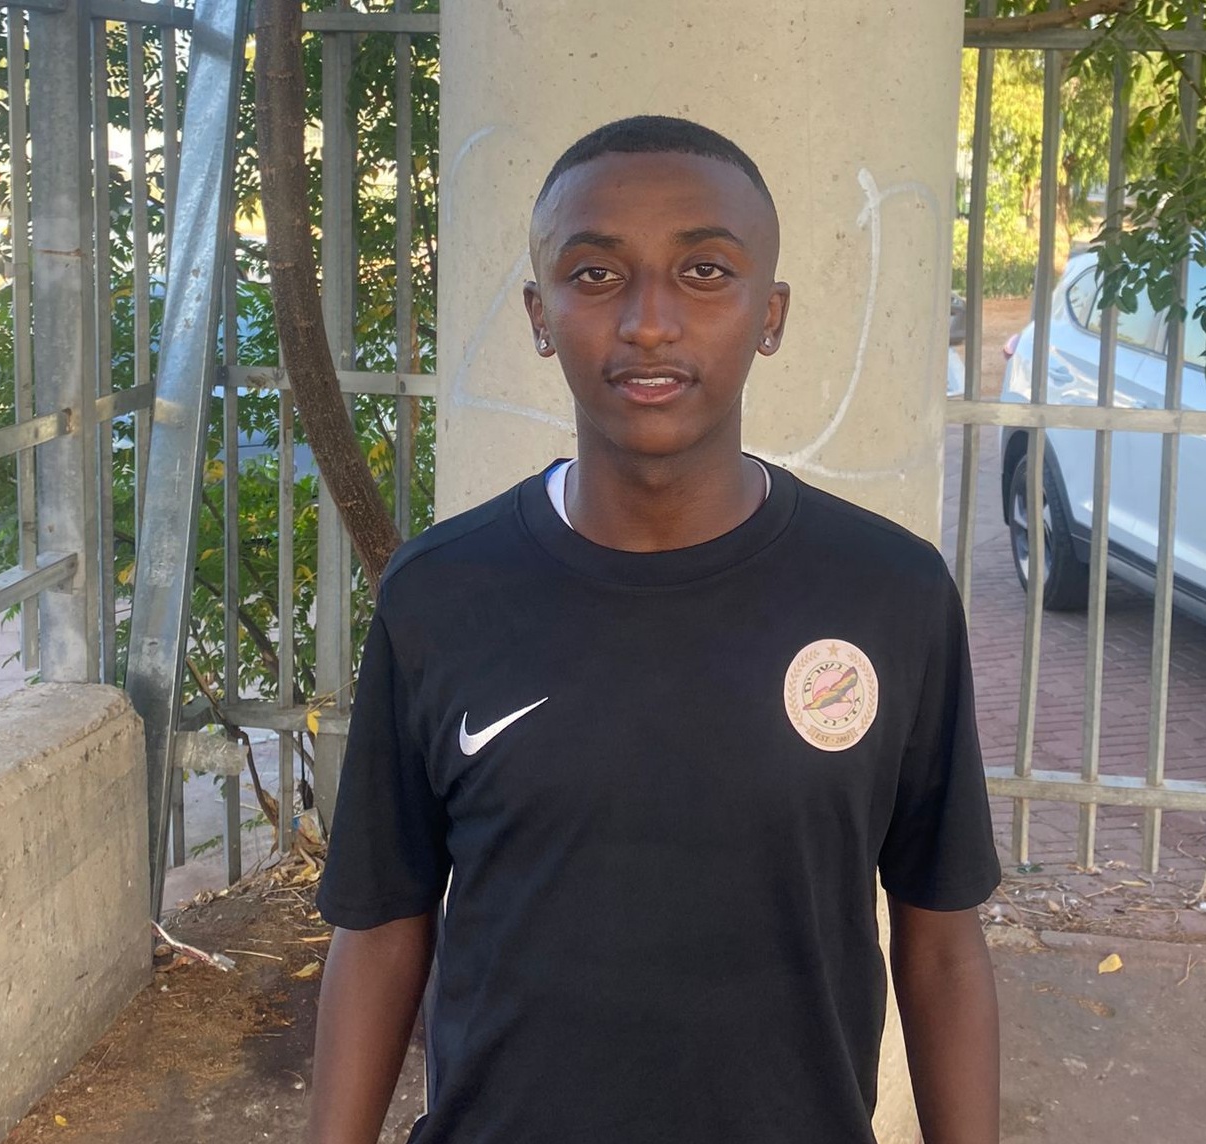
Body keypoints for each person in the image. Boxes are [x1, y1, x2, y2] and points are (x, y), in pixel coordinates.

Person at [308, 115, 1001, 1144]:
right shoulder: (440, 595)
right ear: (540, 316)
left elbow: (939, 944)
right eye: (594, 275)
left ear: (769, 315)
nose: (647, 323)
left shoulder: (887, 593)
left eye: (704, 271)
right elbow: (381, 929)